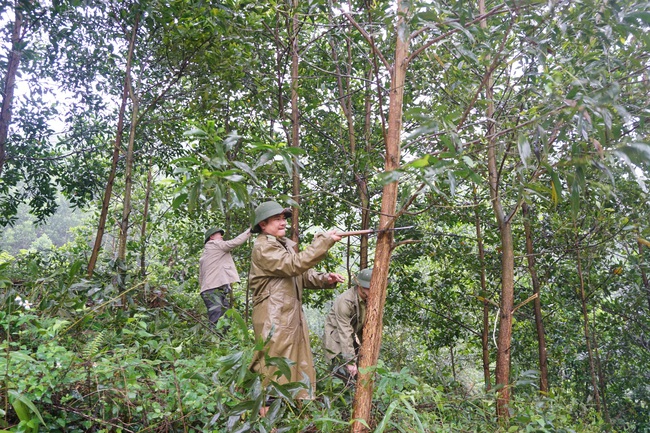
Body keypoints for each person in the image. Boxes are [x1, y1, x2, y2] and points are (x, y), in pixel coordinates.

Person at [248, 200, 345, 400]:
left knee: (293, 368)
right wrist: (323, 241)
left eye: (283, 219)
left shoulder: (282, 246)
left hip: (288, 316)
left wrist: (325, 278)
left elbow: (300, 274)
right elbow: (293, 266)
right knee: (272, 370)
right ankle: (267, 425)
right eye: (277, 219)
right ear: (263, 225)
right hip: (273, 318)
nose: (283, 223)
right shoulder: (263, 247)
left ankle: (290, 417)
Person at [323, 268, 373, 384]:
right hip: (336, 342)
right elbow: (344, 332)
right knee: (343, 381)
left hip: (351, 339)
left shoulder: (367, 299)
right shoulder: (345, 302)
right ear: (361, 287)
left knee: (357, 378)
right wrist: (350, 361)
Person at [198, 226, 251, 326]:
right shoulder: (214, 244)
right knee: (217, 319)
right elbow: (234, 242)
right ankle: (213, 340)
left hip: (211, 290)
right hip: (213, 290)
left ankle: (221, 339)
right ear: (212, 237)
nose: (221, 236)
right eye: (219, 234)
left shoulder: (205, 254)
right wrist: (250, 231)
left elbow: (201, 277)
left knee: (226, 317)